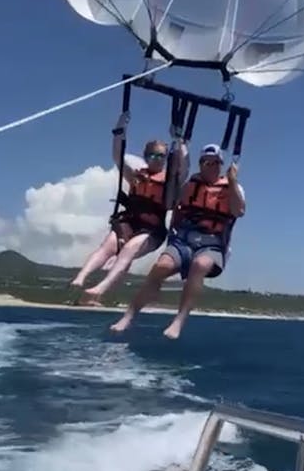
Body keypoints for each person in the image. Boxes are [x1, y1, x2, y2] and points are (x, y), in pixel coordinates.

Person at [110, 143, 246, 338]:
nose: (212, 166)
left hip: (213, 244)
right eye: (207, 162)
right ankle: (128, 316)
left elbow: (239, 211)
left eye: (216, 163)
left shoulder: (233, 187)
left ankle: (179, 321)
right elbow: (171, 205)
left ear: (221, 165)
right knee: (161, 267)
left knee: (200, 265)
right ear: (201, 164)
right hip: (184, 240)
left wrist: (232, 182)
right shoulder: (189, 186)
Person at [70, 112, 189, 304]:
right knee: (107, 247)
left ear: (166, 158)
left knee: (129, 249)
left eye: (161, 156)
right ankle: (80, 278)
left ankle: (100, 288)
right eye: (153, 155)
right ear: (146, 156)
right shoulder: (136, 176)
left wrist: (180, 141)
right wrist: (119, 129)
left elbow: (185, 167)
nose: (157, 159)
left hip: (152, 230)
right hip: (129, 222)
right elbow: (118, 157)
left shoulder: (170, 181)